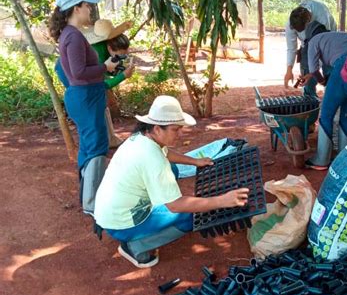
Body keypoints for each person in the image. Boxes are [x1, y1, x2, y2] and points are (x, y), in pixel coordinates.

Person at [94, 96, 249, 268]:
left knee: (173, 169)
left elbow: (165, 154)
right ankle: (135, 246)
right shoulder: (151, 158)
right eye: (176, 130)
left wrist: (195, 162)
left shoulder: (141, 138)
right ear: (157, 128)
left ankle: (140, 233)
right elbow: (175, 205)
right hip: (122, 223)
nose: (181, 134)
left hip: (110, 212)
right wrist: (222, 201)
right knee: (192, 216)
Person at [48, 0, 119, 216]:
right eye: (87, 5)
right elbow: (78, 72)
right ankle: (92, 203)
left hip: (83, 97)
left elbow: (62, 68)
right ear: (76, 8)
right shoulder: (74, 36)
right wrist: (105, 67)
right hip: (86, 97)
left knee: (89, 146)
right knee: (97, 146)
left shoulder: (68, 34)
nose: (90, 9)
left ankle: (87, 196)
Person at [54, 19, 135, 147]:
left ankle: (109, 139)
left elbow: (105, 70)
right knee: (93, 105)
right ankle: (95, 144)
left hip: (79, 73)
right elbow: (101, 84)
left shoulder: (105, 45)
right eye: (119, 56)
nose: (120, 59)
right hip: (68, 74)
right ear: (109, 47)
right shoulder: (95, 52)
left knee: (101, 104)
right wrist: (123, 76)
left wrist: (117, 71)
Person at [299, 31, 347, 170]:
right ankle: (344, 157)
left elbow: (314, 68)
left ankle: (321, 160)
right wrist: (313, 76)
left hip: (344, 66)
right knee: (346, 115)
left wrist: (322, 82)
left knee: (326, 114)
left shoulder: (313, 41)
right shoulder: (342, 36)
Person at [284, 0, 337, 93]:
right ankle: (310, 100)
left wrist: (312, 71)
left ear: (308, 22)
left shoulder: (321, 16)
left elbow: (323, 48)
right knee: (307, 79)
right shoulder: (291, 23)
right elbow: (291, 48)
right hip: (306, 44)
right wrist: (289, 69)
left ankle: (331, 99)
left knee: (329, 75)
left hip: (327, 44)